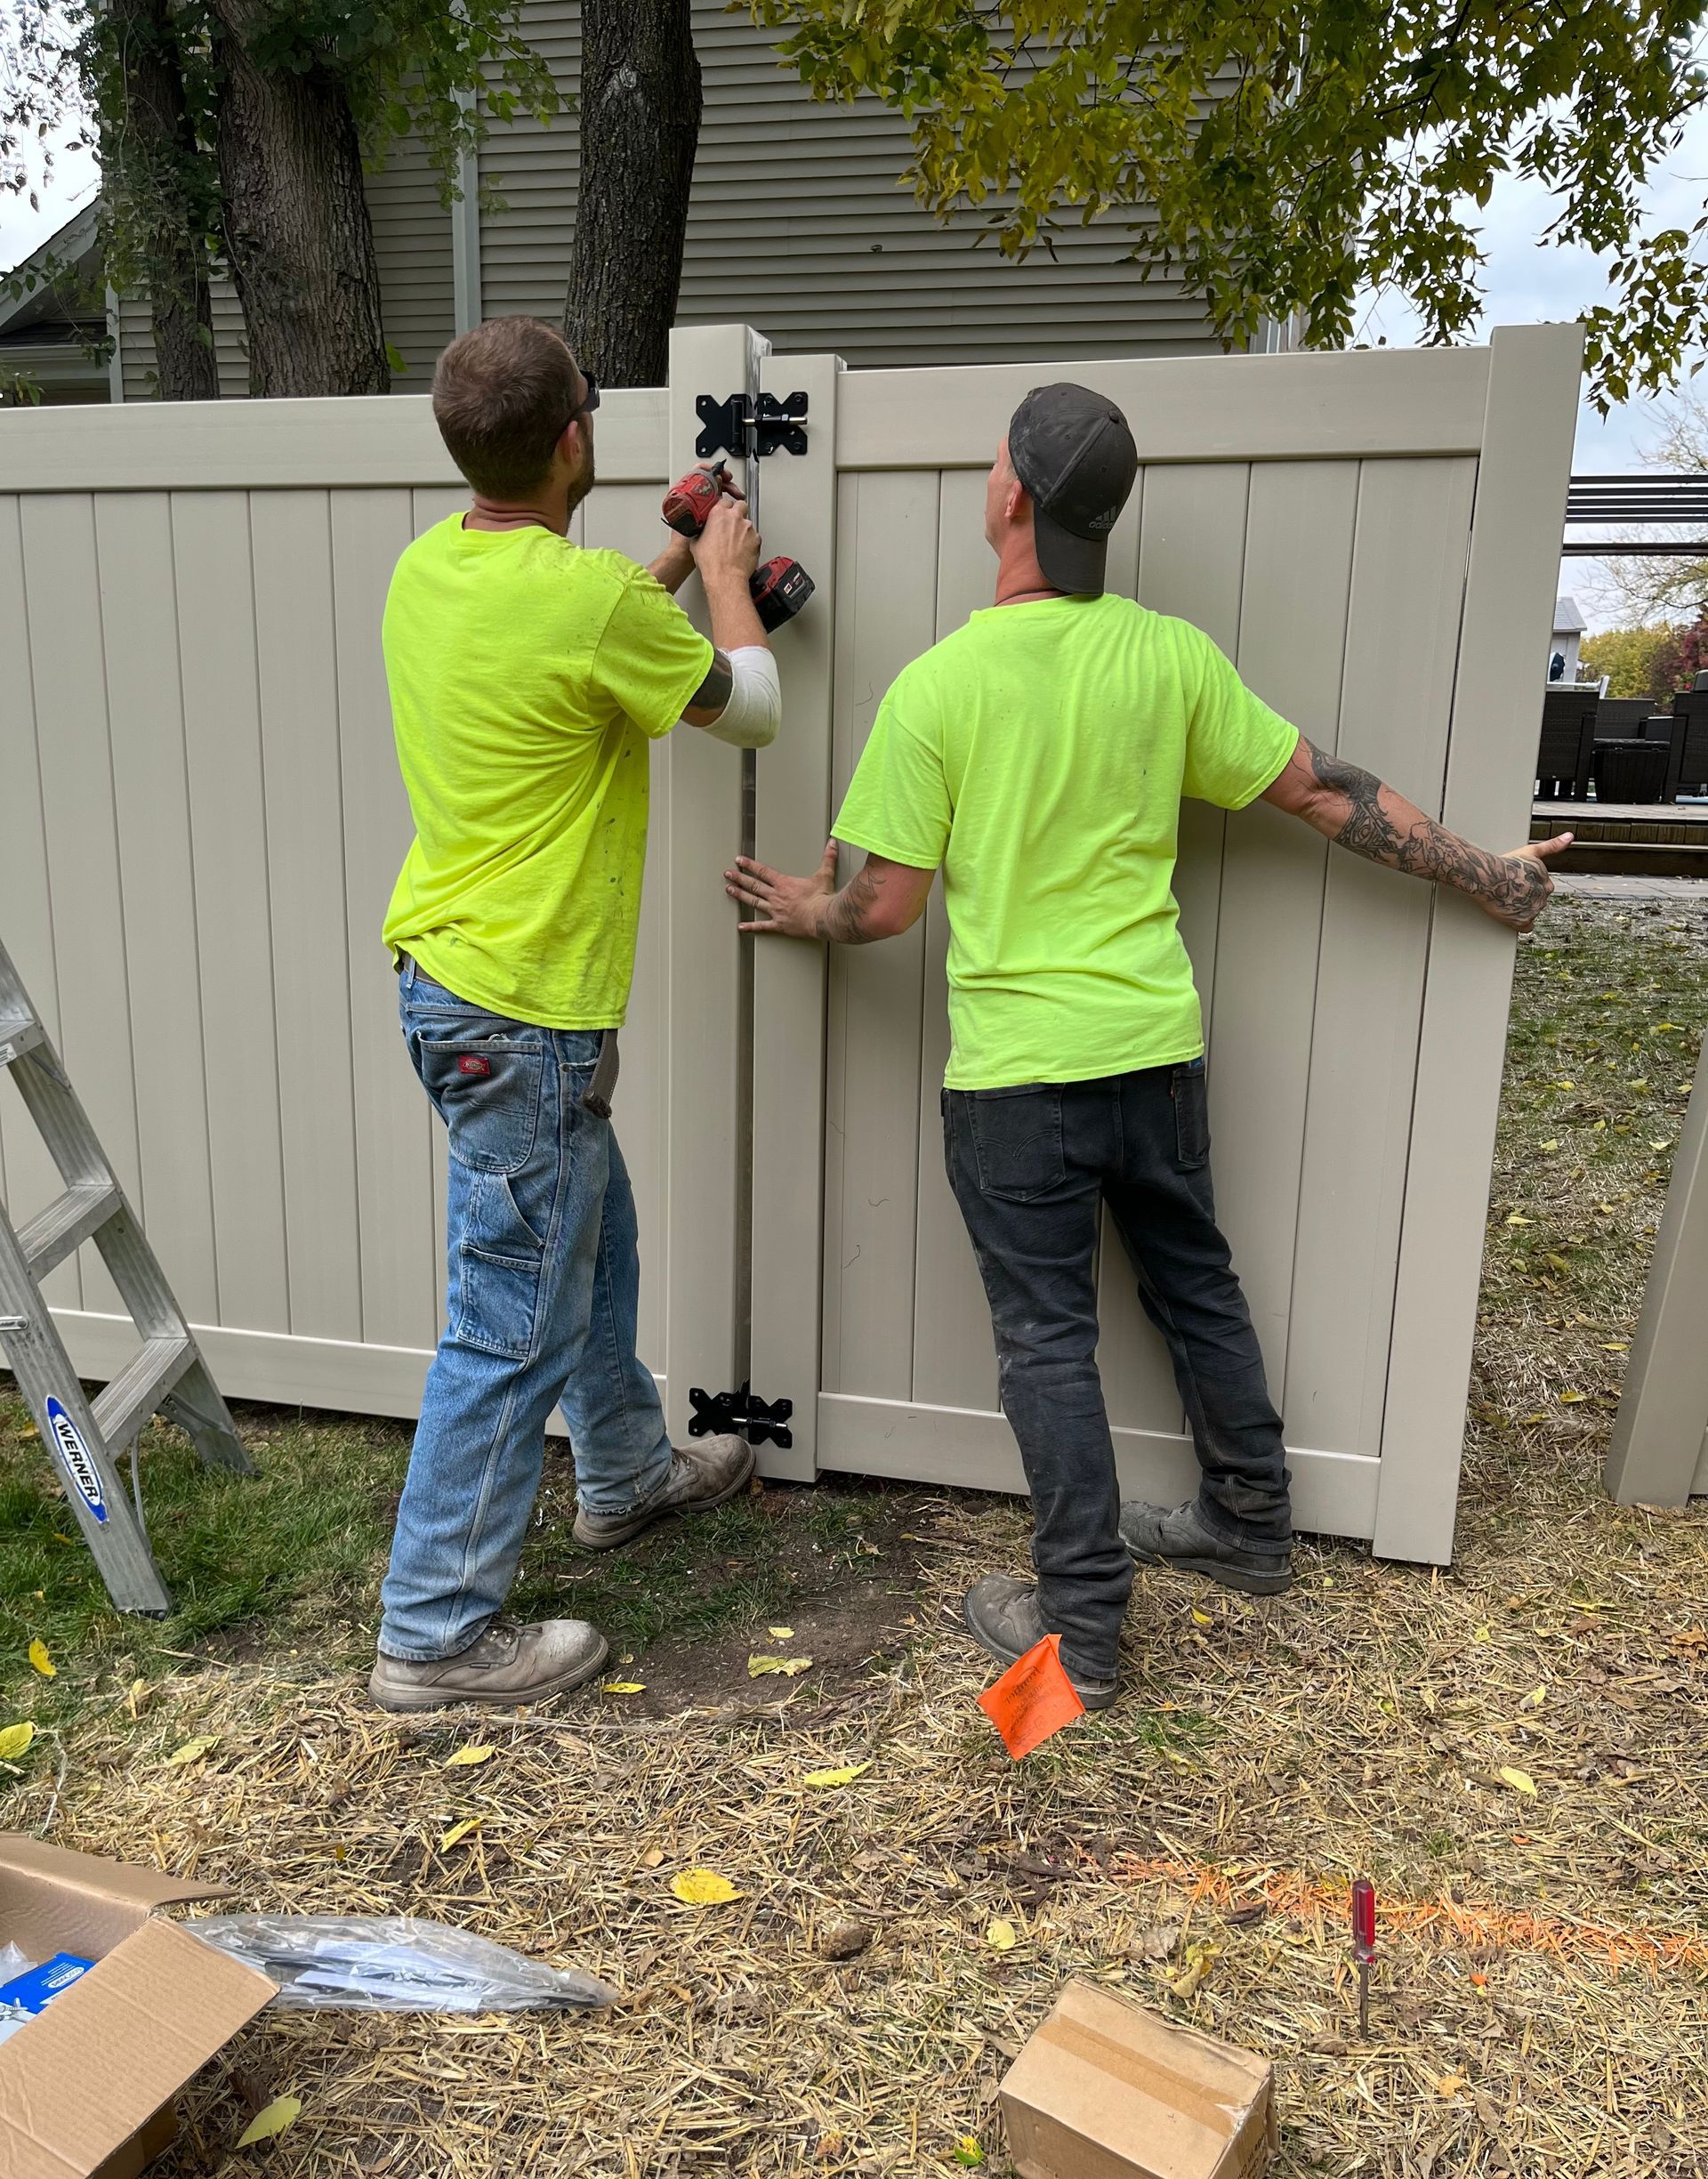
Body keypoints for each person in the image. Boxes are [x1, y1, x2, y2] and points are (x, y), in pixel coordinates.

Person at [725, 382, 1572, 1713]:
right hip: (1153, 1051)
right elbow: (1326, 792)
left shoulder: (938, 688)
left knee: (1046, 1343)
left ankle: (1083, 1633)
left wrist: (808, 911)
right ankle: (1250, 1520)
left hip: (1019, 1084)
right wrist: (1487, 874)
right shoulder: (1170, 660)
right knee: (1195, 1285)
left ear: (1011, 494)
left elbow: (882, 907)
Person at [368, 316, 783, 1713]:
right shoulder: (593, 602)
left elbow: (576, 639)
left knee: (592, 1249)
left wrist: (664, 559)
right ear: (572, 441)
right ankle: (432, 1634)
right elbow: (752, 706)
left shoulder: (432, 568)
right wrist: (721, 580)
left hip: (457, 989)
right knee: (510, 1322)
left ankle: (624, 1475)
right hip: (522, 1014)